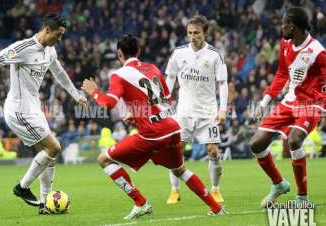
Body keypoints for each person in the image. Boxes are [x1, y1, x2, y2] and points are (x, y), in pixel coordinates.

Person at [82, 33, 227, 219]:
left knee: (103, 159)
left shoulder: (118, 75)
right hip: (173, 128)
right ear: (139, 52)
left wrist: (94, 92)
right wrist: (138, 113)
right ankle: (216, 208)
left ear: (119, 53)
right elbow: (166, 99)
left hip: (153, 134)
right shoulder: (152, 68)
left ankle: (140, 202)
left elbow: (108, 103)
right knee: (180, 170)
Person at [0, 13, 87, 213]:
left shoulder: (50, 51)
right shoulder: (23, 48)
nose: (60, 39)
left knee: (48, 154)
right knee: (54, 147)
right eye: (58, 34)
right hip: (19, 110)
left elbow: (60, 73)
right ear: (47, 30)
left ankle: (46, 204)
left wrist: (76, 95)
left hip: (34, 108)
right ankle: (23, 187)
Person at [249, 7, 326, 208]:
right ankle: (279, 184)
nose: (281, 27)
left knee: (294, 140)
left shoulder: (317, 52)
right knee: (256, 143)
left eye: (283, 24)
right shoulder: (285, 44)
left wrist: (322, 108)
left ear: (291, 25)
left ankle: (302, 197)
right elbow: (282, 73)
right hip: (289, 102)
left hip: (311, 105)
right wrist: (264, 103)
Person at [164, 15, 228, 204]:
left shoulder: (215, 55)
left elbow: (223, 83)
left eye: (196, 33)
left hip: (208, 111)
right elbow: (169, 78)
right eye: (190, 33)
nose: (192, 36)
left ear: (205, 33)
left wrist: (223, 109)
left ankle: (215, 190)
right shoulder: (178, 53)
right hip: (184, 110)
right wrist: (166, 102)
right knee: (176, 151)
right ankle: (175, 190)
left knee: (213, 151)